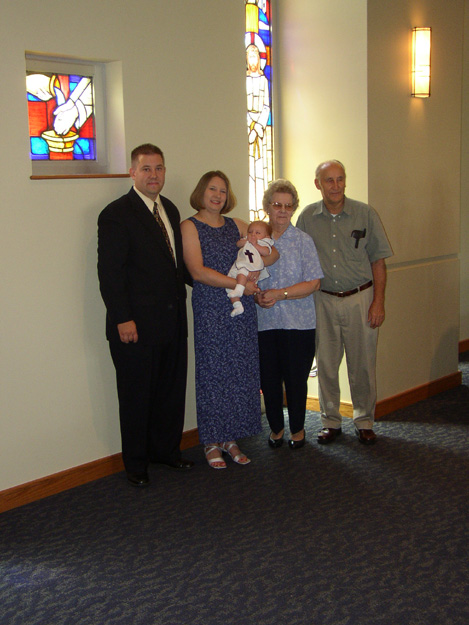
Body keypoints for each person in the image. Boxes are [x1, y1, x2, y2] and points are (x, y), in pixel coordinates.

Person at [97, 143, 194, 487]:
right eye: (147, 169)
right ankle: (136, 465)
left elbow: (177, 264)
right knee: (137, 396)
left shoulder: (169, 207)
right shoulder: (116, 213)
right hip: (135, 326)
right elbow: (111, 273)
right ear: (133, 172)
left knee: (170, 390)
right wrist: (123, 318)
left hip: (172, 320)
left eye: (159, 168)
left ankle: (166, 451)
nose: (154, 175)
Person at [181, 171, 279, 469]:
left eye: (223, 191)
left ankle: (230, 437)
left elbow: (271, 252)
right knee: (213, 372)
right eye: (212, 189)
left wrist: (259, 262)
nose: (217, 195)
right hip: (211, 308)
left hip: (241, 310)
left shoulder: (238, 224)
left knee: (238, 370)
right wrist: (237, 284)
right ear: (201, 191)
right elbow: (197, 271)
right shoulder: (189, 226)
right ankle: (211, 440)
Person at [296, 160, 393, 445]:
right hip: (322, 300)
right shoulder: (307, 218)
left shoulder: (365, 214)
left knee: (362, 365)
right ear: (318, 184)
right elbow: (296, 257)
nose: (335, 186)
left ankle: (364, 420)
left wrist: (378, 302)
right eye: (329, 180)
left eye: (340, 179)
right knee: (325, 364)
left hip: (361, 298)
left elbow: (378, 261)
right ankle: (330, 421)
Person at [255, 179, 323, 449]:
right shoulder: (257, 241)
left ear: (294, 208)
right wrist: (257, 295)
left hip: (299, 324)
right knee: (269, 380)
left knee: (296, 381)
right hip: (265, 323)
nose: (282, 210)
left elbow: (313, 283)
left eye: (288, 205)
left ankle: (297, 430)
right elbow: (247, 275)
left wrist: (279, 293)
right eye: (277, 205)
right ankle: (275, 429)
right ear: (267, 207)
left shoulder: (303, 241)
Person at [226, 220, 274, 317]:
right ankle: (237, 305)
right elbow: (238, 244)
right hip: (240, 265)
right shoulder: (247, 240)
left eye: (257, 233)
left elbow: (266, 252)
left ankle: (240, 288)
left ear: (266, 236)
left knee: (242, 272)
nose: (253, 234)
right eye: (250, 231)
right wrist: (246, 241)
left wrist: (255, 244)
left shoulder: (264, 242)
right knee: (229, 288)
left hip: (251, 268)